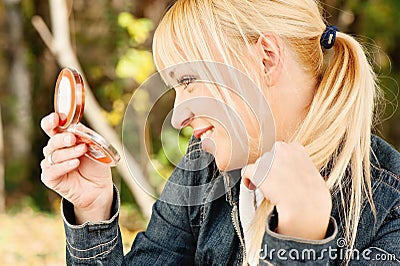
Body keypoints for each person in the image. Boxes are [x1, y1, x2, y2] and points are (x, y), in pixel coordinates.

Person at [40, 0, 400, 265]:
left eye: (188, 79)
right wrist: (93, 209)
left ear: (266, 58)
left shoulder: (391, 207)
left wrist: (301, 242)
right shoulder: (201, 168)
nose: (179, 116)